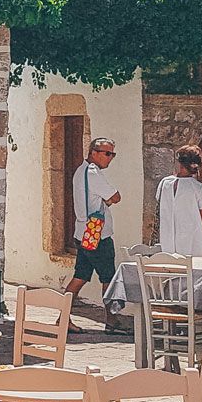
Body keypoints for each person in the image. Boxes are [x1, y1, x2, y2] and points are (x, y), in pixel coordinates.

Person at [67, 137, 127, 330]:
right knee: (108, 278)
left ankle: (63, 318)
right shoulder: (93, 173)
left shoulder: (81, 170)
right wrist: (108, 200)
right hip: (97, 235)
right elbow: (115, 197)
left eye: (112, 154)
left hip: (82, 233)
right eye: (107, 153)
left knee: (80, 277)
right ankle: (112, 320)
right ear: (94, 153)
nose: (110, 158)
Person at [156, 145, 202, 257]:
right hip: (192, 243)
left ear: (180, 164)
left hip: (167, 239)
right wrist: (194, 235)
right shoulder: (199, 188)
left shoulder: (164, 184)